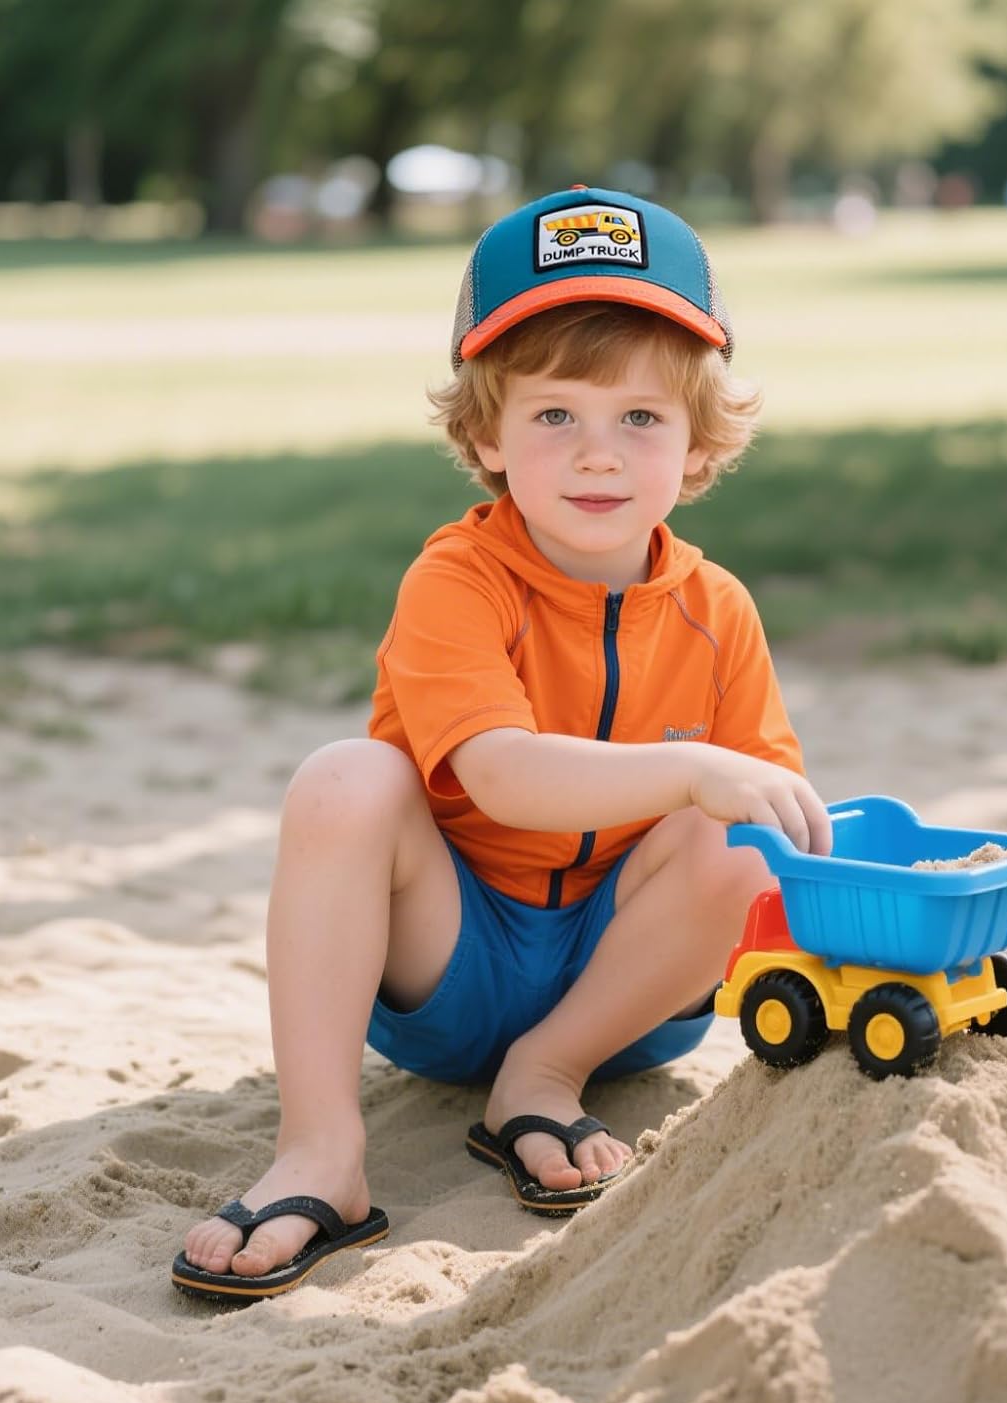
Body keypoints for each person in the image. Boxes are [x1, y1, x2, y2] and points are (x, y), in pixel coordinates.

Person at [172, 185, 831, 1302]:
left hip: (624, 995)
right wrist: (691, 767)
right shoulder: (458, 580)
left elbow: (775, 841)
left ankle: (544, 1076)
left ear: (697, 441)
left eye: (640, 418)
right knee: (344, 779)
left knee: (750, 830)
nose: (598, 455)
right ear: (486, 431)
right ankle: (321, 1154)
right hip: (452, 961)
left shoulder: (718, 610)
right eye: (555, 415)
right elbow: (502, 775)